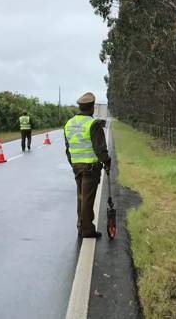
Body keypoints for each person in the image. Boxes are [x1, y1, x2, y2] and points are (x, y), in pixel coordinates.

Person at [64, 92, 111, 241]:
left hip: (77, 166)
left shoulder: (69, 123)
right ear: (92, 107)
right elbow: (100, 148)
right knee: (87, 199)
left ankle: (80, 225)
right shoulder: (93, 124)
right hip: (90, 167)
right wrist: (107, 161)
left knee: (81, 197)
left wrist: (73, 163)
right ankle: (87, 230)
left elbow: (68, 147)